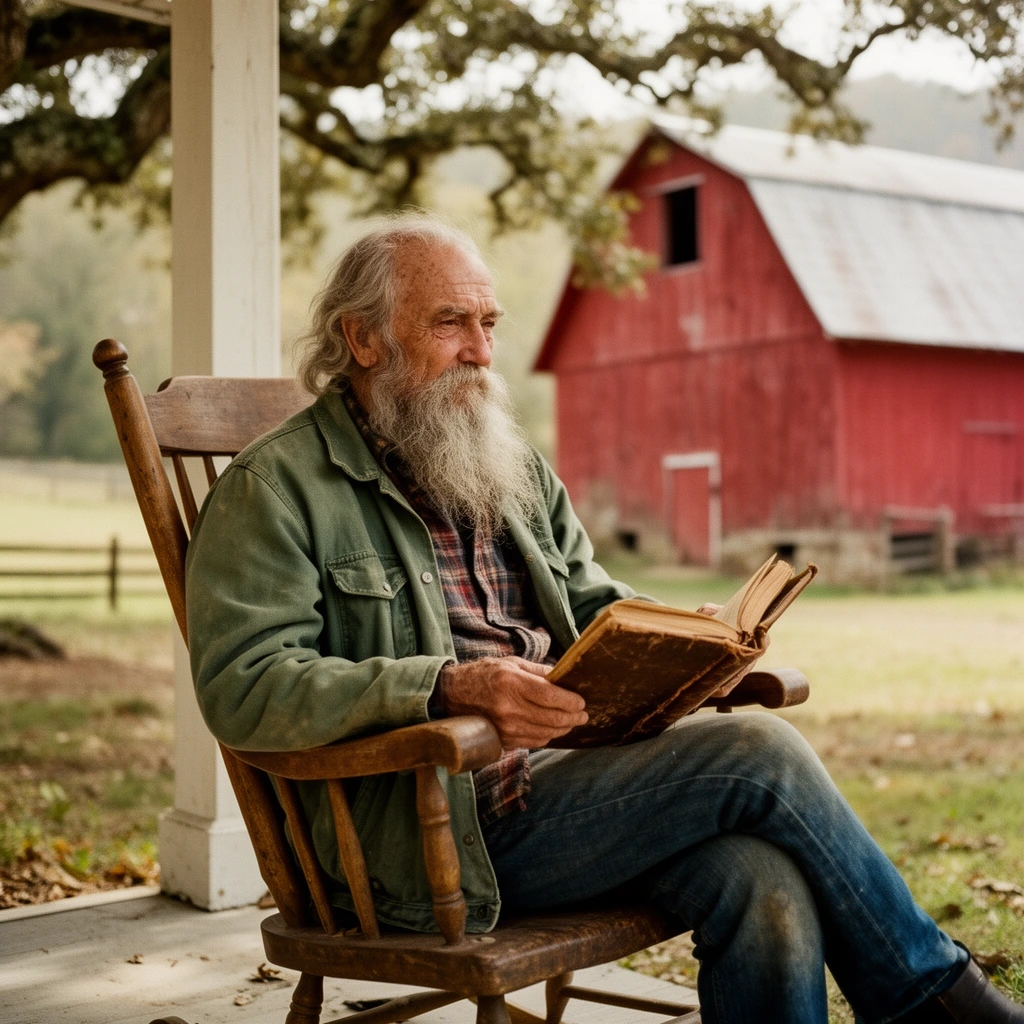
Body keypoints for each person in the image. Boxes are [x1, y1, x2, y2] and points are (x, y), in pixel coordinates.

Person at [185, 216, 1022, 1024]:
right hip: (428, 833)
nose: (479, 351)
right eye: (450, 324)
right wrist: (444, 687)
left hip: (568, 782)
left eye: (487, 323)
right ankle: (937, 1003)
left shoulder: (499, 461)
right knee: (758, 750)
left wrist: (687, 644)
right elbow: (245, 685)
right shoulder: (275, 488)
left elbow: (593, 602)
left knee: (762, 877)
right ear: (363, 340)